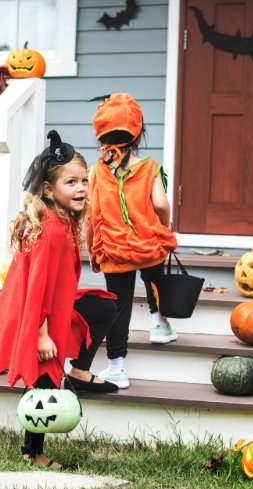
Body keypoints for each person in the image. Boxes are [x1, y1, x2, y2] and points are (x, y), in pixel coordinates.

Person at [0, 130, 119, 470]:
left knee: (103, 307)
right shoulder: (53, 230)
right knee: (43, 380)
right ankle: (33, 451)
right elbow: (39, 285)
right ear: (48, 190)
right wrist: (42, 334)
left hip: (54, 305)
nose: (81, 189)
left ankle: (79, 373)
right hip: (36, 313)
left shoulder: (61, 220)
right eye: (71, 182)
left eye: (84, 181)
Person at [87, 93, 179, 390]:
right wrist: (163, 227)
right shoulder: (150, 167)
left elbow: (91, 215)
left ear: (101, 135)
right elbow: (162, 204)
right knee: (155, 280)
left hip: (114, 251)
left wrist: (92, 250)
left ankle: (117, 367)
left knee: (119, 307)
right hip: (149, 246)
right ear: (138, 133)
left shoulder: (97, 171)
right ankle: (159, 324)